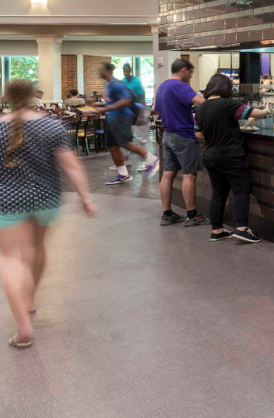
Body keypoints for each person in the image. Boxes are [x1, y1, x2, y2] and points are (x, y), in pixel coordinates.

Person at [0, 80, 97, 349]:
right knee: (37, 248)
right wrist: (86, 198)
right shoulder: (51, 125)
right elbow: (71, 166)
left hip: (7, 201)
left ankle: (23, 328)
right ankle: (29, 300)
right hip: (46, 198)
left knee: (12, 260)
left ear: (7, 98)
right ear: (33, 97)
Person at [196, 73, 266, 244]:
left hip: (210, 155)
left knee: (218, 192)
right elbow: (255, 112)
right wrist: (267, 111)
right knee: (240, 190)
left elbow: (197, 132)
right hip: (231, 155)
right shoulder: (229, 104)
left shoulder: (201, 108)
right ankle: (242, 229)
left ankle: (217, 230)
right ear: (227, 88)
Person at [84, 61, 157, 184]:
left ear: (107, 71)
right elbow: (110, 102)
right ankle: (123, 174)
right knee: (113, 147)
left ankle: (152, 160)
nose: (99, 72)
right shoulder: (108, 85)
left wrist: (106, 108)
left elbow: (126, 100)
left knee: (125, 143)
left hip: (121, 118)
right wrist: (94, 105)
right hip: (111, 118)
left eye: (101, 69)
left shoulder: (117, 84)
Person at [153, 60, 206, 226]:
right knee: (189, 174)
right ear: (183, 70)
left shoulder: (162, 86)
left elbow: (158, 108)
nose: (190, 76)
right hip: (183, 135)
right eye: (190, 73)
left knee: (168, 174)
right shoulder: (180, 85)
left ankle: (167, 214)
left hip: (167, 135)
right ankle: (191, 215)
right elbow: (201, 102)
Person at [122, 63, 150, 153]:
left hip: (139, 111)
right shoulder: (123, 81)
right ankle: (125, 161)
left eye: (127, 70)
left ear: (130, 70)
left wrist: (141, 115)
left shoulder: (136, 81)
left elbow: (142, 98)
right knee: (126, 138)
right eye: (124, 70)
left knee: (142, 138)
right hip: (128, 113)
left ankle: (149, 161)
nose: (126, 71)